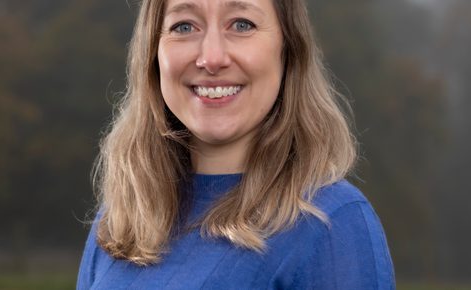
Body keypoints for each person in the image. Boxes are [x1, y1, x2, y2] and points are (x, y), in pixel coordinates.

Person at [77, 0, 395, 288]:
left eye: (242, 24)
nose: (212, 58)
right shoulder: (122, 218)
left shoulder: (332, 224)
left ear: (288, 47)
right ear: (154, 54)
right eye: (184, 26)